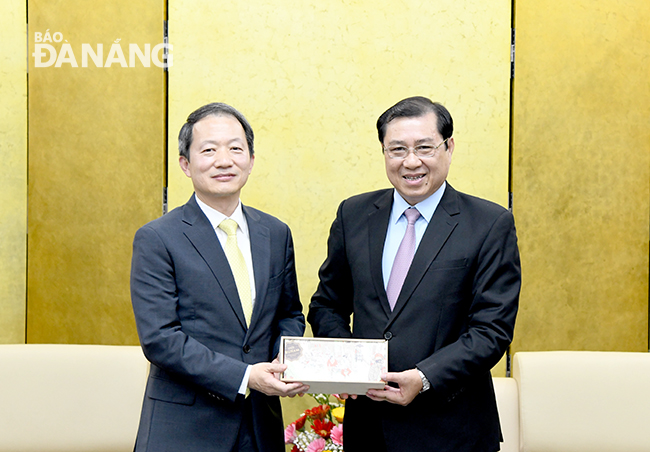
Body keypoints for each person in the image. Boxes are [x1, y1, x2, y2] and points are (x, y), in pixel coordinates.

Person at [308, 96, 521, 452]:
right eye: (397, 150)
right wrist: (347, 363)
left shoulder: (489, 224)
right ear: (383, 151)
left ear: (448, 147)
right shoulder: (354, 214)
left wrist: (423, 378)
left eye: (424, 148)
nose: (411, 162)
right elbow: (327, 304)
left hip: (453, 430)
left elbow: (491, 330)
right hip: (368, 429)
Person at [130, 102, 308, 452]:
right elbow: (160, 338)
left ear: (251, 161)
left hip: (261, 426)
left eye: (236, 148)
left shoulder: (275, 232)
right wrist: (245, 376)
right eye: (209, 150)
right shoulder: (158, 238)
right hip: (186, 429)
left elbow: (289, 313)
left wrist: (280, 361)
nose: (224, 161)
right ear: (185, 163)